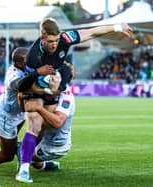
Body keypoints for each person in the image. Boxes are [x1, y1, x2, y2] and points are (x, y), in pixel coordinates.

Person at [15, 18, 133, 183]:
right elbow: (24, 86)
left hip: (54, 83)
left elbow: (92, 32)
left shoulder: (65, 39)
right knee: (35, 124)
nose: (54, 45)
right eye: (50, 41)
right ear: (42, 38)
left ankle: (35, 157)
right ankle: (23, 171)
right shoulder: (32, 58)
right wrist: (40, 80)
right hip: (37, 87)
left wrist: (117, 26)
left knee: (45, 128)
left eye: (56, 40)